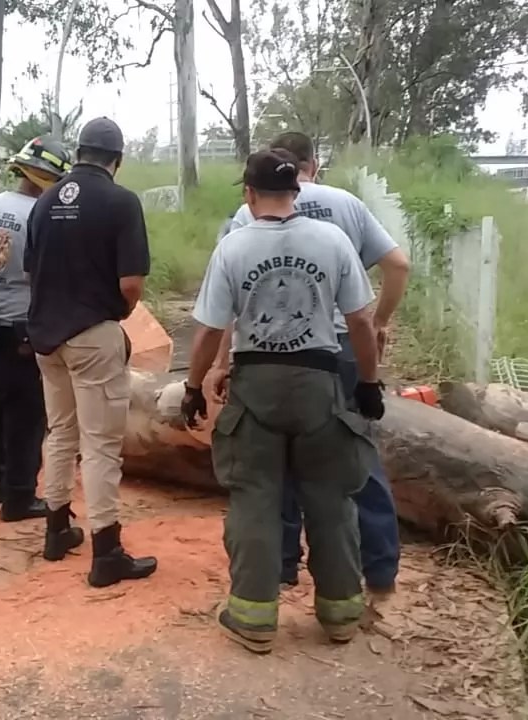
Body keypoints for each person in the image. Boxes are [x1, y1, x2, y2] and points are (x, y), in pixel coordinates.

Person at [180, 149, 386, 653]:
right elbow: (361, 320)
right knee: (331, 498)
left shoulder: (233, 247)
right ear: (296, 191)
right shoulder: (333, 239)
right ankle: (340, 613)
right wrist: (369, 382)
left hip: (257, 388)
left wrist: (194, 385)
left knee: (255, 498)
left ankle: (253, 618)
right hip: (320, 386)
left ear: (248, 195)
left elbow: (209, 329)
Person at [213, 131, 410, 596]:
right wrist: (379, 326)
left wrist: (219, 365)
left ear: (254, 185)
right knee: (353, 461)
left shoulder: (245, 217)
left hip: (266, 354)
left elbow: (227, 306)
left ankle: (280, 566)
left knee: (270, 463)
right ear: (311, 166)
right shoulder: (346, 207)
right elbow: (398, 265)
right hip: (340, 349)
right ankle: (377, 567)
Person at [25, 117, 158, 587]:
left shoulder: (42, 205)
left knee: (61, 432)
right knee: (101, 444)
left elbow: (30, 272)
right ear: (116, 161)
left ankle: (57, 530)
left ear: (79, 153)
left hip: (46, 336)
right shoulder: (121, 202)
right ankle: (106, 551)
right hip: (92, 334)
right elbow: (131, 284)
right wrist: (117, 314)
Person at [0, 136, 73, 520]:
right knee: (26, 418)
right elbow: (44, 278)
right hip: (20, 331)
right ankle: (20, 497)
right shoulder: (42, 216)